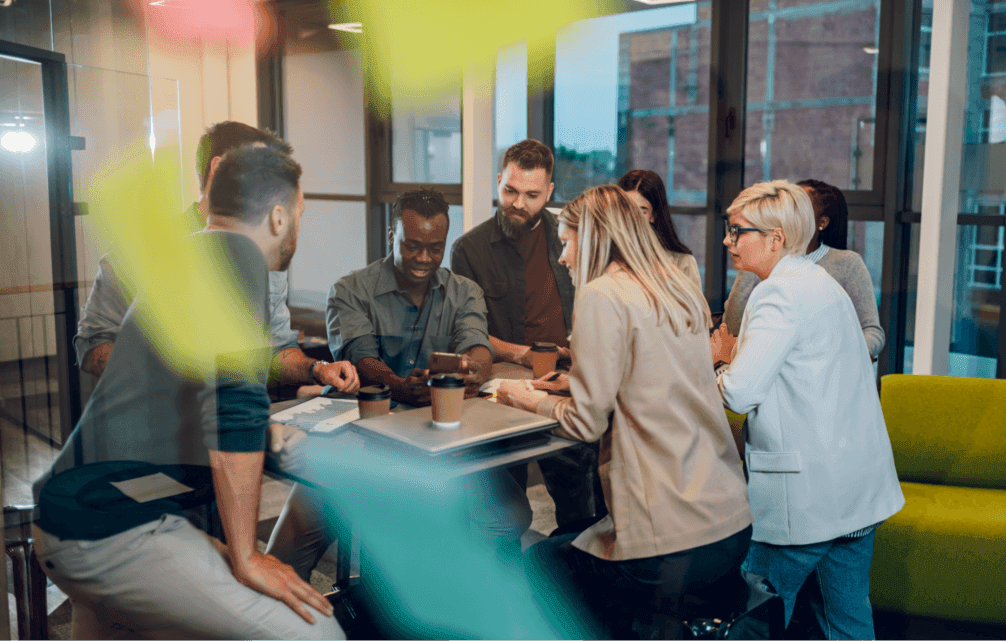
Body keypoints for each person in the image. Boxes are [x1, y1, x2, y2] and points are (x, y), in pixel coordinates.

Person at [33, 145, 344, 639]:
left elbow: (191, 385)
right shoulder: (237, 255)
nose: (300, 229)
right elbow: (233, 401)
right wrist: (245, 556)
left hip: (75, 510)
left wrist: (266, 431)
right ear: (279, 217)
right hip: (110, 528)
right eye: (301, 213)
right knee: (314, 632)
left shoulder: (192, 253)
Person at [497, 185, 753, 635]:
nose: (563, 257)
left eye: (567, 241)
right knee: (570, 546)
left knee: (539, 562)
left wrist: (527, 397)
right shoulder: (678, 286)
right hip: (731, 527)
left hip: (670, 545)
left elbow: (584, 423)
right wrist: (578, 383)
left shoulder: (602, 294)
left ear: (593, 237)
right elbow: (658, 378)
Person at [268, 188, 531, 582]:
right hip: (357, 440)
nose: (424, 259)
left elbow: (478, 348)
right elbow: (361, 358)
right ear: (392, 236)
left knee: (510, 515)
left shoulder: (464, 292)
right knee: (286, 556)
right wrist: (400, 386)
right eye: (412, 246)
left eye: (434, 248)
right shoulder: (349, 290)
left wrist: (469, 370)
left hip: (439, 441)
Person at [711, 180, 904, 640]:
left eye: (737, 230)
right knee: (848, 619)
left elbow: (739, 393)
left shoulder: (778, 292)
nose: (727, 240)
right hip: (856, 492)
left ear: (775, 238)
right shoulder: (816, 280)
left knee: (751, 615)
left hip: (808, 498)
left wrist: (719, 359)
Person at [74, 120, 359, 394]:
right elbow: (94, 343)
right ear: (219, 168)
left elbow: (277, 348)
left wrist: (318, 369)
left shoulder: (264, 255)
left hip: (245, 418)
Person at [451, 138, 605, 535]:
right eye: (510, 191)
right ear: (499, 180)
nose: (519, 203)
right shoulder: (469, 249)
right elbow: (469, 329)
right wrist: (520, 354)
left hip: (564, 379)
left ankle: (573, 573)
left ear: (550, 192)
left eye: (532, 195)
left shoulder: (570, 237)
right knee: (505, 508)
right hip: (503, 384)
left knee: (579, 498)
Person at [721, 178, 884, 360]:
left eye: (797, 207)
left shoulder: (843, 266)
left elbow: (871, 331)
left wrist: (844, 356)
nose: (787, 213)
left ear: (821, 222)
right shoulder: (758, 258)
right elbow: (732, 326)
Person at [617, 169, 702, 289]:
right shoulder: (605, 257)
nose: (632, 220)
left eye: (641, 212)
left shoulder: (682, 262)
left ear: (654, 215)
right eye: (626, 210)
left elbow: (695, 307)